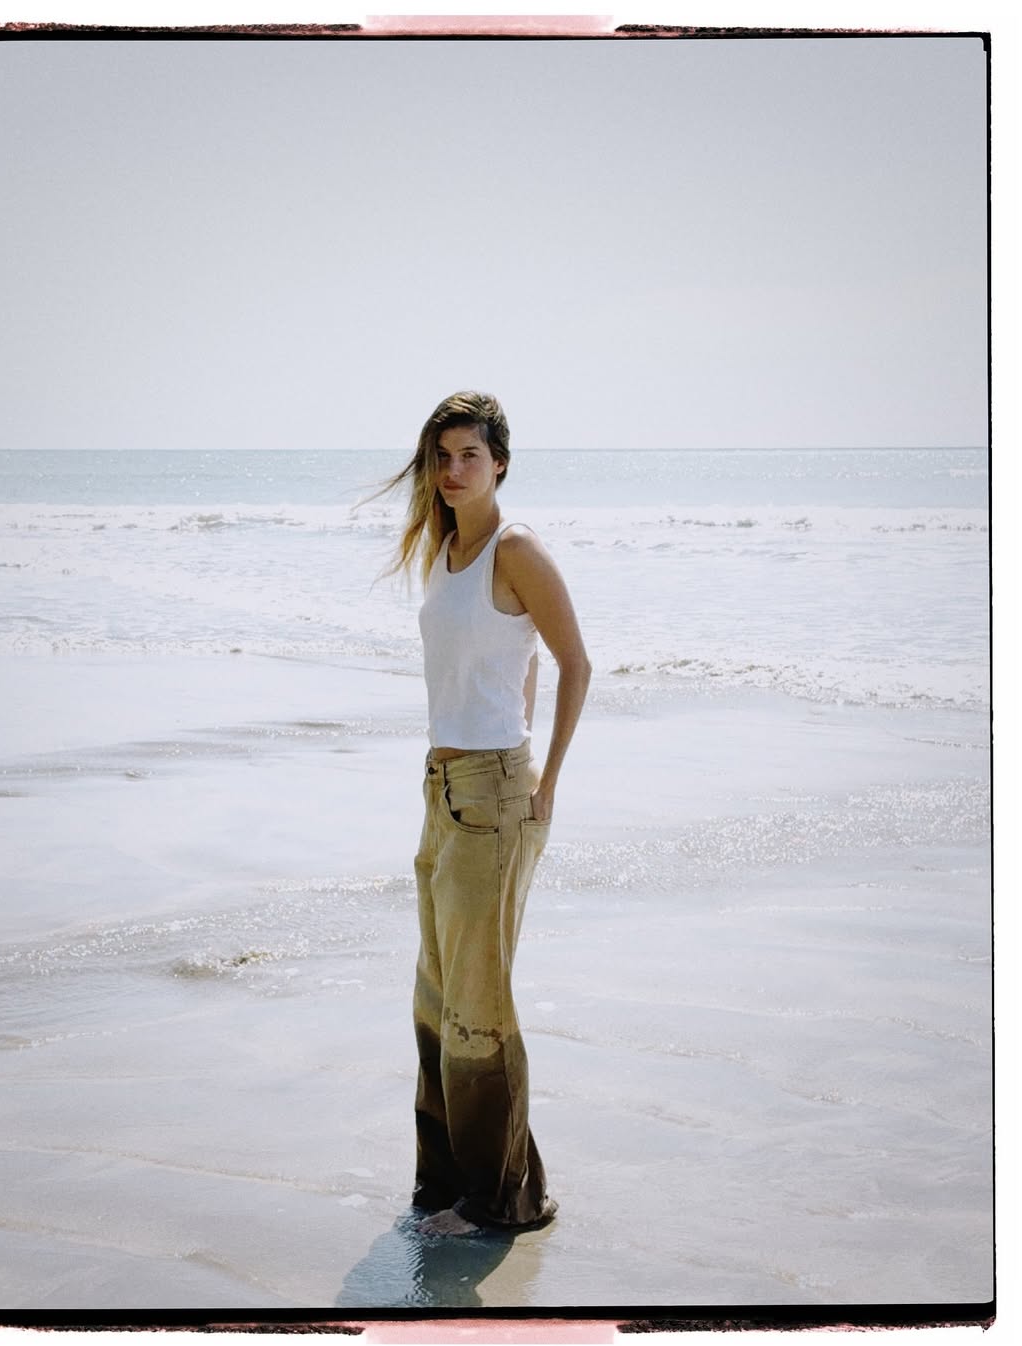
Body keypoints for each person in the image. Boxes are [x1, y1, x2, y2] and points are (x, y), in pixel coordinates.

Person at [376, 391, 591, 1237]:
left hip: (495, 792)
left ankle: (500, 1198)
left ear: (500, 462)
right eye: (442, 456)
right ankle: (445, 1182)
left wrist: (545, 781)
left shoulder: (516, 547)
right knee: (436, 994)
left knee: (479, 998)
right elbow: (517, 658)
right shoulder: (444, 547)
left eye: (469, 455)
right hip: (442, 787)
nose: (453, 470)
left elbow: (574, 661)